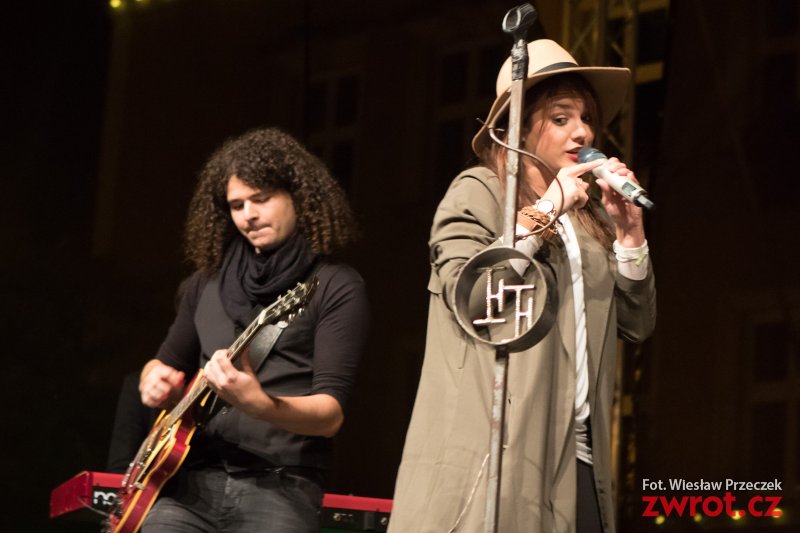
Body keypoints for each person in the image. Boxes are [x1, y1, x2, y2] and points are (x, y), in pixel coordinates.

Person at [388, 39, 656, 533]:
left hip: (578, 453)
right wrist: (545, 211)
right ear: (517, 127)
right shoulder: (479, 192)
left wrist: (629, 236)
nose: (582, 132)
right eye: (561, 118)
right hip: (503, 449)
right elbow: (472, 297)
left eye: (587, 118)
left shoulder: (590, 219)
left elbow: (635, 324)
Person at [137, 127, 369, 533]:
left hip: (281, 485)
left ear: (297, 196)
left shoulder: (336, 285)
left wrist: (259, 404)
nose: (249, 215)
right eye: (237, 205)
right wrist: (154, 381)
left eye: (261, 199)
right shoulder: (204, 284)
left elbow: (330, 416)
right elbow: (163, 363)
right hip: (189, 484)